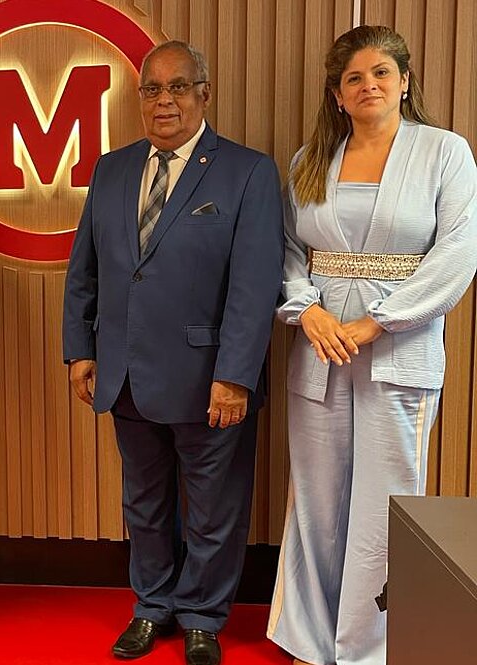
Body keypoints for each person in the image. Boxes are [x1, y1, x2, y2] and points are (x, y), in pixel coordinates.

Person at [63, 41, 284, 665]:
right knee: (144, 503)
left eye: (179, 87)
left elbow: (255, 284)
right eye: (153, 89)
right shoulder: (111, 169)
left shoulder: (247, 171)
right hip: (124, 373)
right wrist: (81, 348)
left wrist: (236, 375)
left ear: (204, 94)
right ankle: (151, 605)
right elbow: (86, 268)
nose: (165, 101)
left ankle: (203, 617)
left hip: (209, 378)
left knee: (214, 508)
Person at [267, 25, 477, 665]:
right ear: (336, 93)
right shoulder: (308, 161)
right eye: (353, 78)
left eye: (381, 73)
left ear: (405, 81)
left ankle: (374, 648)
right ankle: (311, 638)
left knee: (389, 500)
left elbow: (457, 253)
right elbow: (286, 250)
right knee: (318, 496)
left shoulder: (445, 152)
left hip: (397, 349)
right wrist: (307, 311)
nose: (368, 86)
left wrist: (379, 321)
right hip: (320, 349)